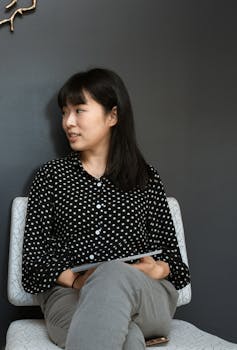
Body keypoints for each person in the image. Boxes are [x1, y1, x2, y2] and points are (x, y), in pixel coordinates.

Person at [21, 68, 190, 349]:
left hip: (146, 296)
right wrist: (77, 281)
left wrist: (154, 271)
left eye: (79, 110)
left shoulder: (146, 178)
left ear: (112, 116)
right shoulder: (49, 177)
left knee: (112, 273)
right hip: (70, 298)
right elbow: (33, 265)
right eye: (64, 112)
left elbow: (176, 264)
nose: (67, 122)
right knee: (127, 338)